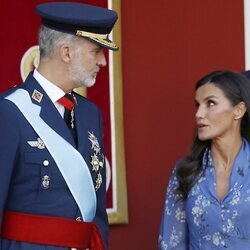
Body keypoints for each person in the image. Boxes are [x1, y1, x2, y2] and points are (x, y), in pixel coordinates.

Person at [0, 2, 118, 250]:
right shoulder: (9, 112)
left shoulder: (89, 113)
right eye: (96, 51)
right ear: (67, 52)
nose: (102, 62)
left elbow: (96, 213)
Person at [158, 70, 250, 249]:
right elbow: (171, 242)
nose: (199, 113)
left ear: (238, 110)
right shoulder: (186, 171)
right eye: (197, 105)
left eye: (210, 103)